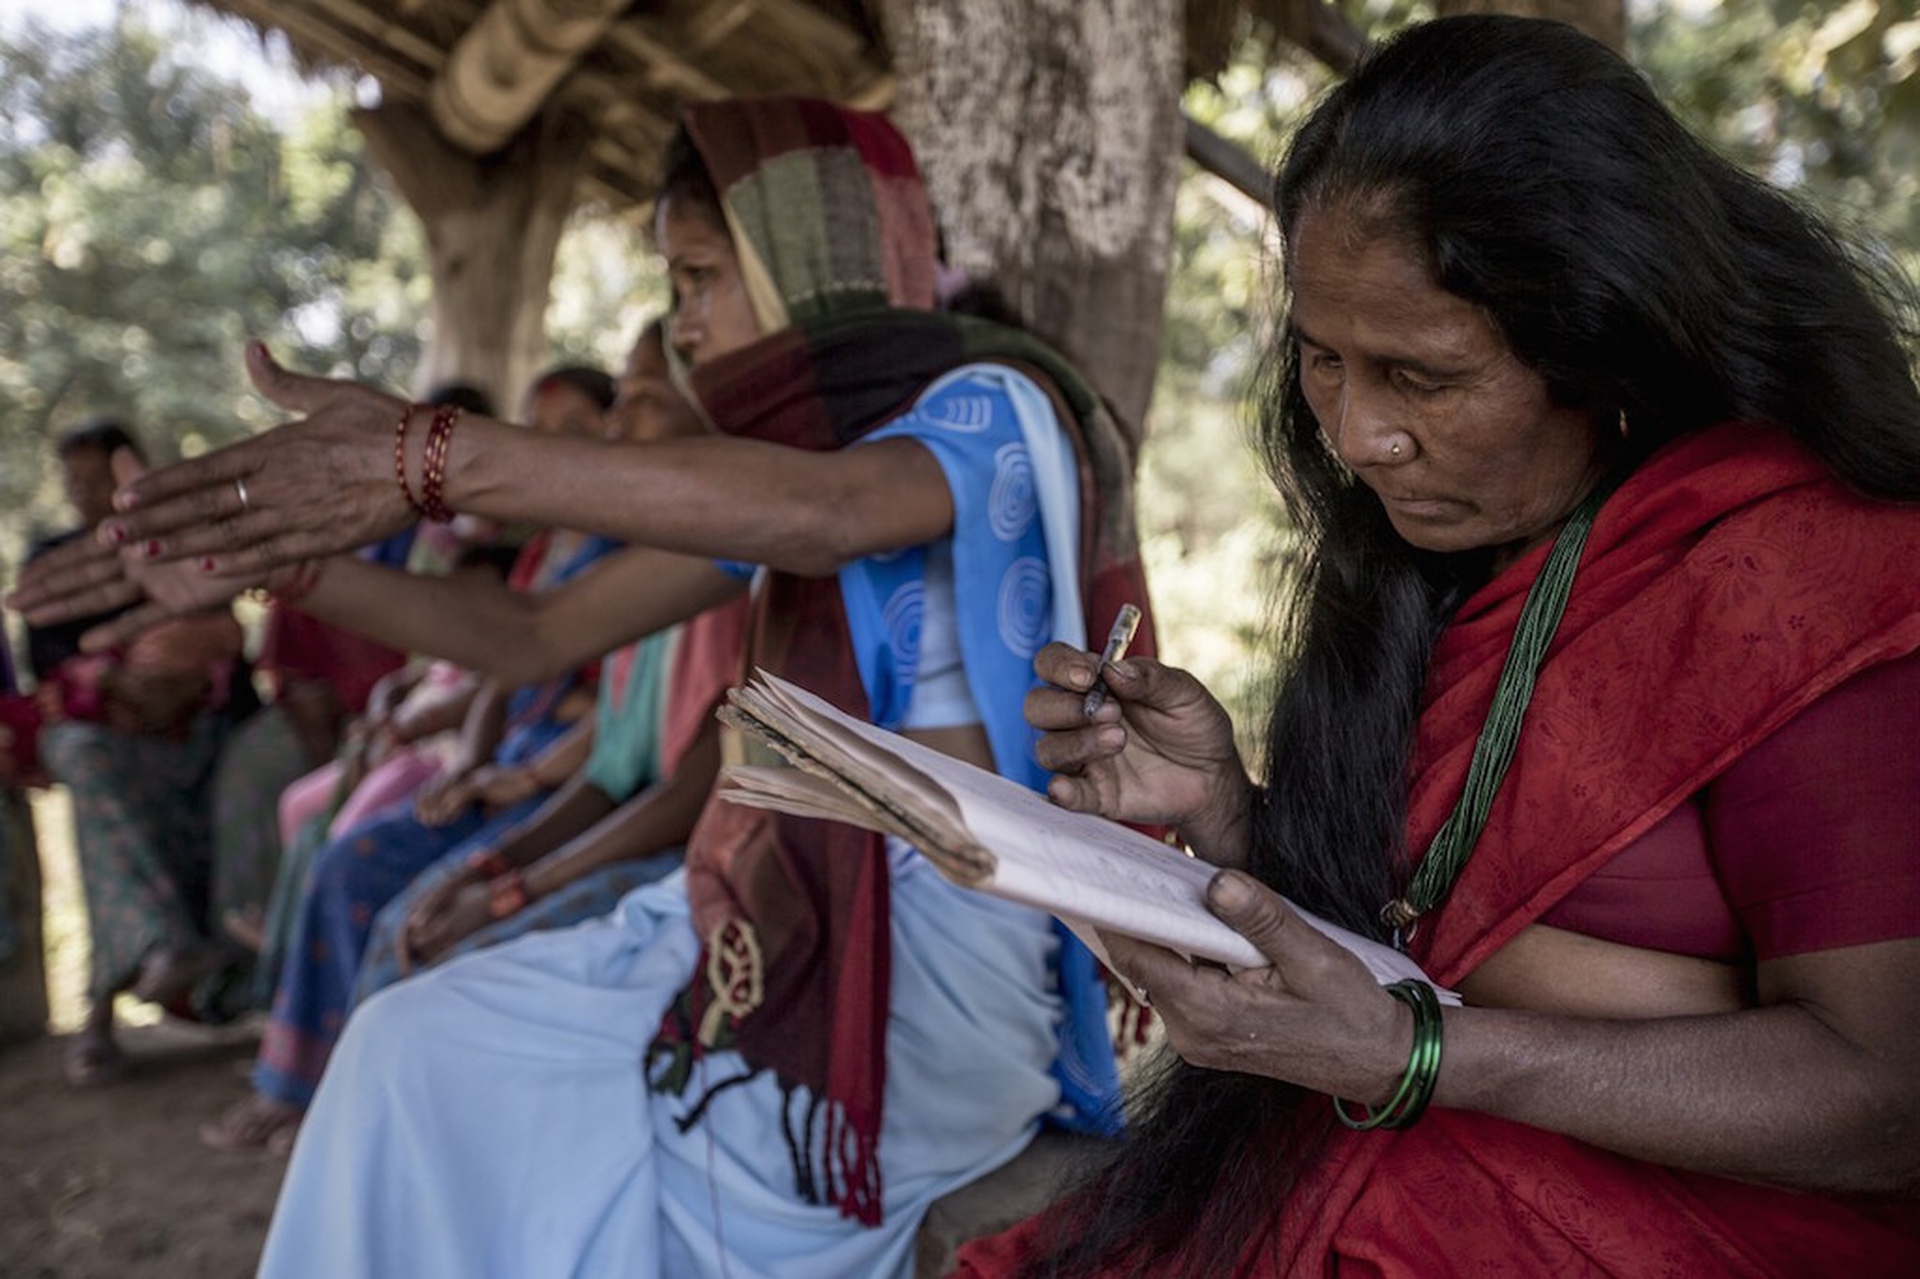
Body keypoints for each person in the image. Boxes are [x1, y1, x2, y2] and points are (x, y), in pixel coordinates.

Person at [12, 97, 1154, 1274]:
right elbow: (529, 631)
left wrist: (427, 456)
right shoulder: (788, 477)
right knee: (406, 1049)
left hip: (925, 979)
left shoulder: (991, 407)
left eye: (703, 276)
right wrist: (287, 562)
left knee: (609, 1187)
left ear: (807, 262)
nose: (687, 324)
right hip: (757, 920)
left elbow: (828, 520)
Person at [944, 16, 1920, 1277]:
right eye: (1321, 361)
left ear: (1602, 341)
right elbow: (1423, 924)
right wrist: (1231, 818)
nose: (1356, 436)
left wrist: (1419, 1059)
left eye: (1423, 376)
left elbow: (1887, 1098)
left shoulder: (1805, 585)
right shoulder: (1459, 554)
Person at [201, 363, 624, 1152]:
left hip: (557, 771)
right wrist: (470, 761)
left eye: (577, 430)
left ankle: (335, 1098)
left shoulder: (635, 550)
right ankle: (299, 1079)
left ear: (617, 429)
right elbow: (512, 666)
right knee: (349, 854)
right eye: (542, 429)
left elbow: (611, 716)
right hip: (504, 755)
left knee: (394, 894)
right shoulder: (541, 552)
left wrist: (517, 768)